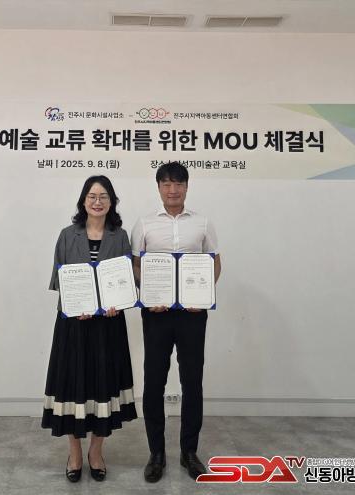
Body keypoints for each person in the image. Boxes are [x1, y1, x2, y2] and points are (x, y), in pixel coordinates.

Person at [42, 175, 137, 483]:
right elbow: (59, 280)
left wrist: (117, 303)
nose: (98, 202)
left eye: (104, 197)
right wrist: (76, 304)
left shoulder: (120, 236)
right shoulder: (67, 235)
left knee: (102, 388)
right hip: (74, 326)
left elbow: (125, 281)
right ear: (83, 201)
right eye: (92, 196)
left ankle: (96, 452)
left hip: (108, 326)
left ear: (112, 202)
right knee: (72, 388)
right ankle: (74, 453)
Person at [131, 162, 221, 482]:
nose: (173, 190)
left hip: (192, 315)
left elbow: (215, 262)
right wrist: (148, 293)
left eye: (179, 184)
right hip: (156, 314)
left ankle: (189, 452)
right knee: (154, 381)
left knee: (192, 381)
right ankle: (156, 453)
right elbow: (136, 265)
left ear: (186, 187)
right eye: (167, 184)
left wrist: (203, 296)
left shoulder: (202, 223)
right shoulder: (144, 224)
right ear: (158, 187)